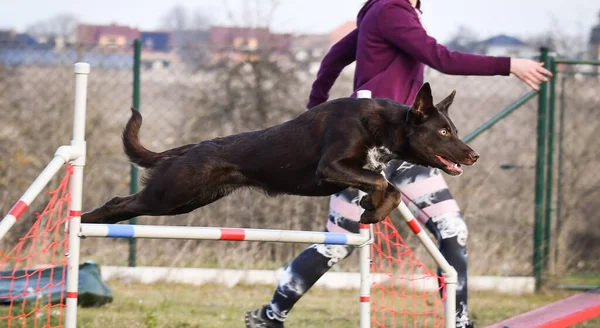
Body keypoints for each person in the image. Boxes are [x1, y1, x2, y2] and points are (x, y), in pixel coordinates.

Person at [245, 0, 552, 327]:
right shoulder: (391, 10)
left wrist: (315, 106)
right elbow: (440, 58)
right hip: (368, 151)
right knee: (336, 245)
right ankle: (270, 316)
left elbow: (334, 57)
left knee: (452, 229)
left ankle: (459, 322)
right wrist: (508, 64)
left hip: (409, 151)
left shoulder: (383, 14)